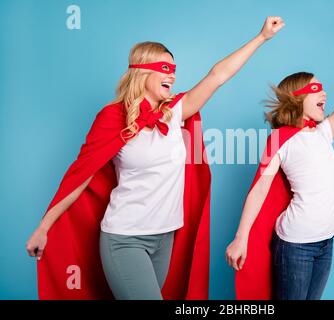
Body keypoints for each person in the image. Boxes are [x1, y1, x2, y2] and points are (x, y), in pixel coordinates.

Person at [26, 16, 285, 300]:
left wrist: (261, 38)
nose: (172, 75)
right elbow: (82, 173)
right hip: (125, 239)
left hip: (164, 237)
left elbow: (217, 76)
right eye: (164, 69)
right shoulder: (113, 118)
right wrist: (44, 226)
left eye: (173, 69)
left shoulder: (174, 112)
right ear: (141, 72)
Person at [226, 21, 334, 300]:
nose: (324, 93)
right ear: (297, 98)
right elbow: (259, 189)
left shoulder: (323, 132)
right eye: (316, 88)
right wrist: (240, 237)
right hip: (296, 245)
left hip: (326, 242)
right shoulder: (281, 140)